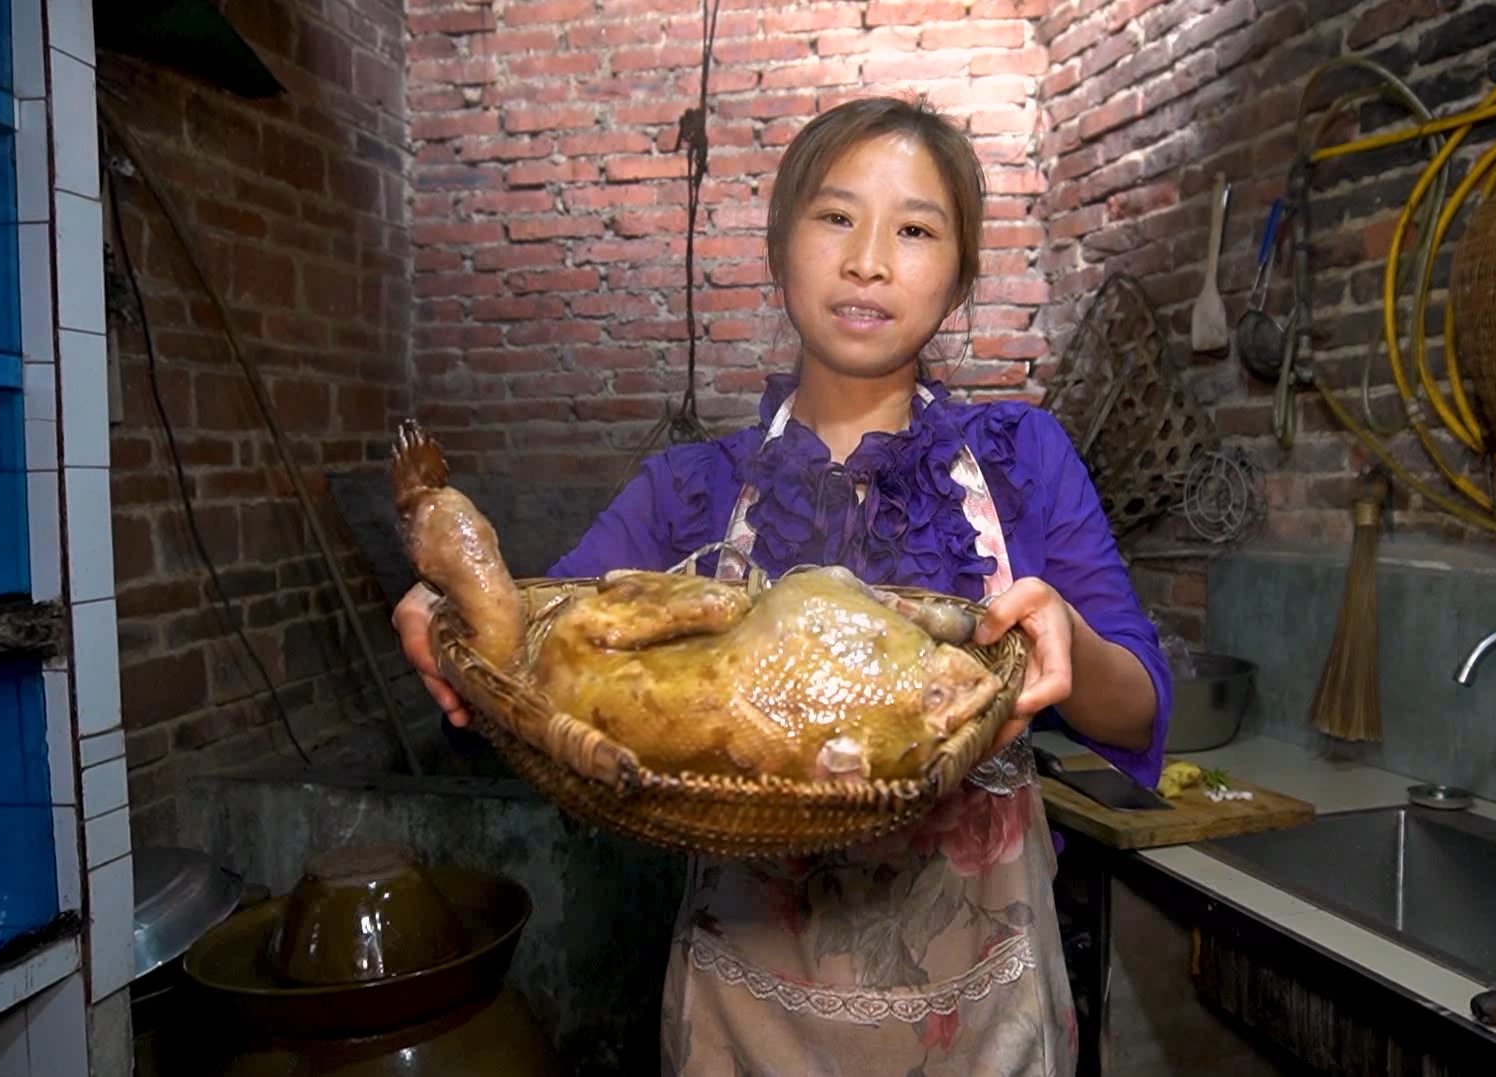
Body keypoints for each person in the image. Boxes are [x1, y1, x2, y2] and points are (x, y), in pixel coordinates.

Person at [392, 94, 1173, 1077]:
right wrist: (445, 604)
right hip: (746, 1013)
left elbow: (1139, 704)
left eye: (916, 229)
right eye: (835, 216)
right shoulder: (689, 488)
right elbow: (534, 639)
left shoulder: (1024, 459)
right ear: (778, 247)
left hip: (979, 1016)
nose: (869, 261)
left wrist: (1064, 634)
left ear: (961, 273)